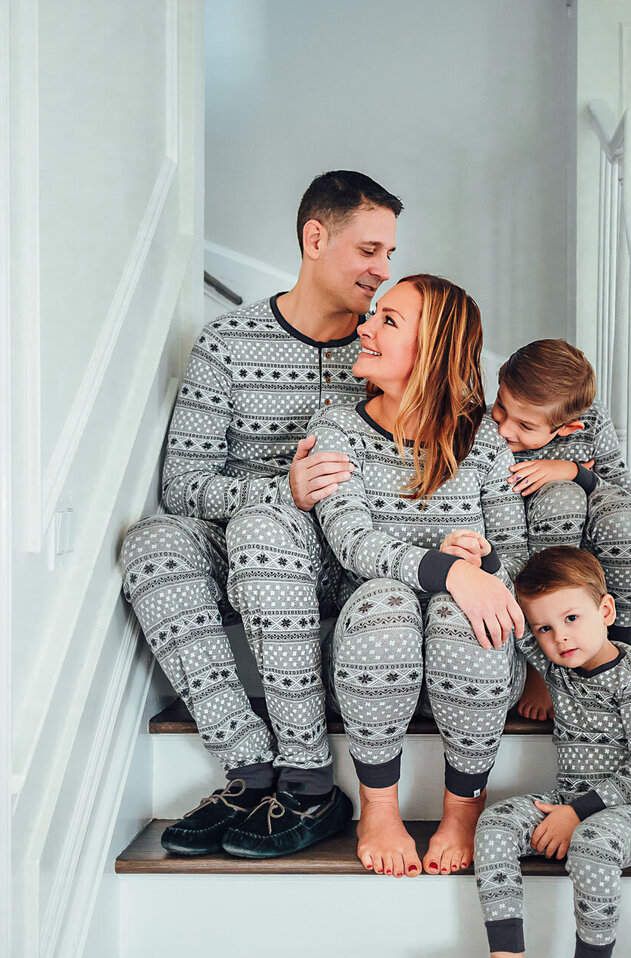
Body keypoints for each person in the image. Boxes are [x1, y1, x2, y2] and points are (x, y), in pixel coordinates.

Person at [120, 170, 402, 858]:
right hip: (253, 561)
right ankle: (251, 773)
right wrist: (283, 490)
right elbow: (184, 487)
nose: (383, 269)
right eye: (370, 250)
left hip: (356, 559)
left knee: (260, 524)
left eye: (390, 253)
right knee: (151, 542)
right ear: (315, 238)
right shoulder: (227, 343)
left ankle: (308, 782)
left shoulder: (388, 347)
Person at [308, 275, 528, 878]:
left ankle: (463, 809)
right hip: (371, 657)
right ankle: (379, 806)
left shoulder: (484, 437)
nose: (365, 327)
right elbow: (355, 542)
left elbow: (515, 552)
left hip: (474, 673)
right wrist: (449, 570)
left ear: (434, 349)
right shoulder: (337, 429)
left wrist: (480, 562)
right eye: (373, 315)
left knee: (470, 609)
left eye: (389, 321)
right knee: (386, 599)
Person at [451, 546, 631, 958]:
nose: (559, 638)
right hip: (568, 801)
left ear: (605, 610)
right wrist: (484, 565)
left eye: (571, 618)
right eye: (545, 628)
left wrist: (578, 813)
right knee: (495, 824)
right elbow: (513, 615)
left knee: (592, 843)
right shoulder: (557, 666)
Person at [490, 339, 631, 723]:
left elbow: (623, 491)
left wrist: (574, 471)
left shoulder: (591, 422)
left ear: (569, 427)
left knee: (608, 510)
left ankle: (618, 651)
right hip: (512, 534)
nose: (504, 428)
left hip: (573, 540)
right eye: (500, 407)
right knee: (562, 499)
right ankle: (542, 666)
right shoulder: (486, 428)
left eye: (525, 425)